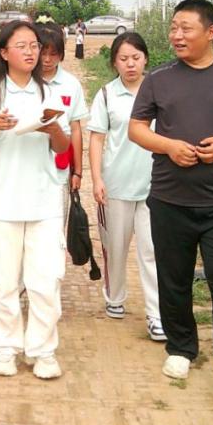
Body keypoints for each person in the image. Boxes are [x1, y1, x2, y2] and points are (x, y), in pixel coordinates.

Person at [128, 0, 213, 399]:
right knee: (174, 279)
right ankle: (181, 349)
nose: (177, 35)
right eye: (174, 28)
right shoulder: (159, 79)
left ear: (211, 32)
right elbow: (137, 128)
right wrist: (169, 146)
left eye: (186, 28)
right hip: (170, 198)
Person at [0, 21, 72, 380]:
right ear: (4, 52)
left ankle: (43, 350)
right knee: (3, 281)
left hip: (43, 201)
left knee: (45, 282)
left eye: (34, 46)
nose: (31, 52)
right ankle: (5, 349)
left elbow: (63, 146)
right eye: (22, 46)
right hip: (1, 202)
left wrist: (53, 128)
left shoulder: (50, 94)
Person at [87, 32, 165, 342]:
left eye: (135, 58)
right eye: (123, 59)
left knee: (152, 251)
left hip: (155, 185)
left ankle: (156, 315)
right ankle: (115, 296)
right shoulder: (107, 95)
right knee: (115, 248)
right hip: (116, 185)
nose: (130, 64)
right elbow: (97, 138)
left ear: (146, 59)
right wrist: (97, 179)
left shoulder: (159, 91)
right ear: (114, 63)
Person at [36, 25, 87, 206]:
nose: (47, 59)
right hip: (30, 165)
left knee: (57, 217)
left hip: (60, 168)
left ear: (61, 55)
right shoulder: (26, 81)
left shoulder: (71, 84)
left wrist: (78, 171)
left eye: (54, 54)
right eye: (43, 53)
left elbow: (75, 129)